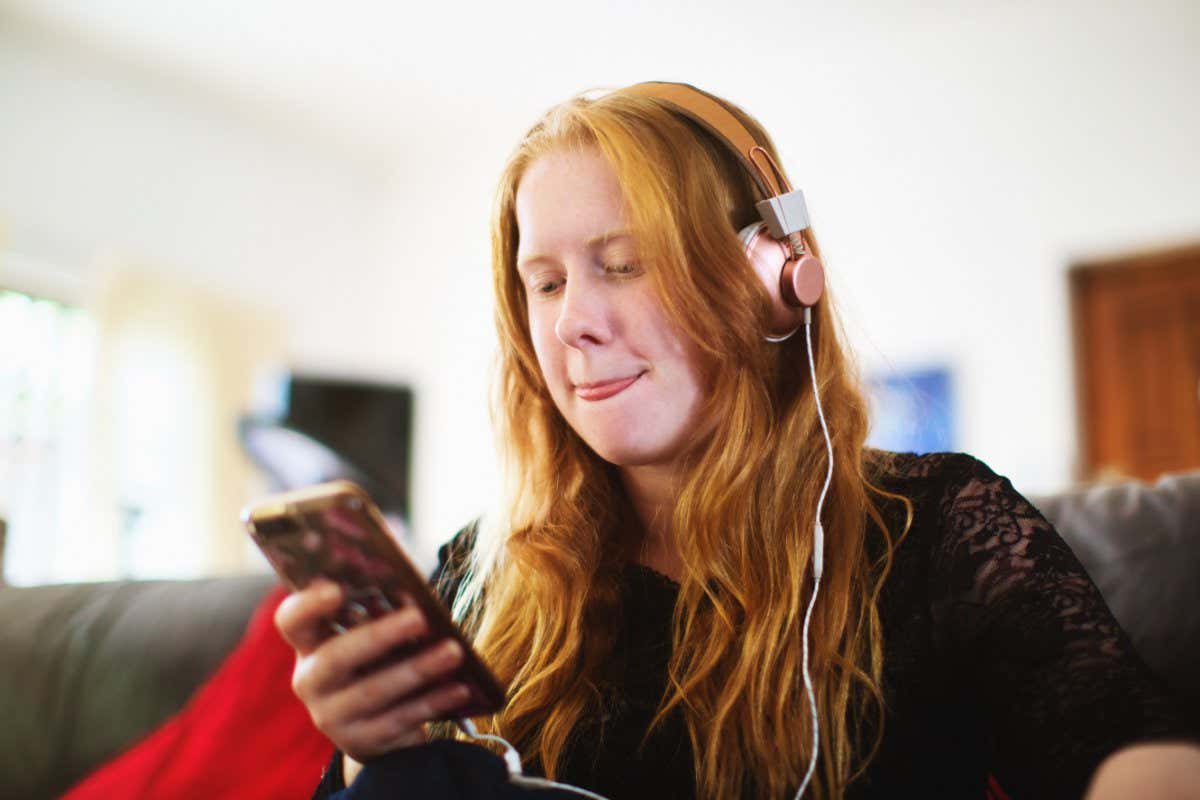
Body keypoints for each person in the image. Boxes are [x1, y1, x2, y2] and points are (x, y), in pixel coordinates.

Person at [276, 82, 1200, 799]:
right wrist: (375, 761)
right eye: (546, 283)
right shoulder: (480, 575)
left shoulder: (939, 529)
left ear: (771, 277)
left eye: (624, 264)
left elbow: (1122, 751)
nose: (571, 325)